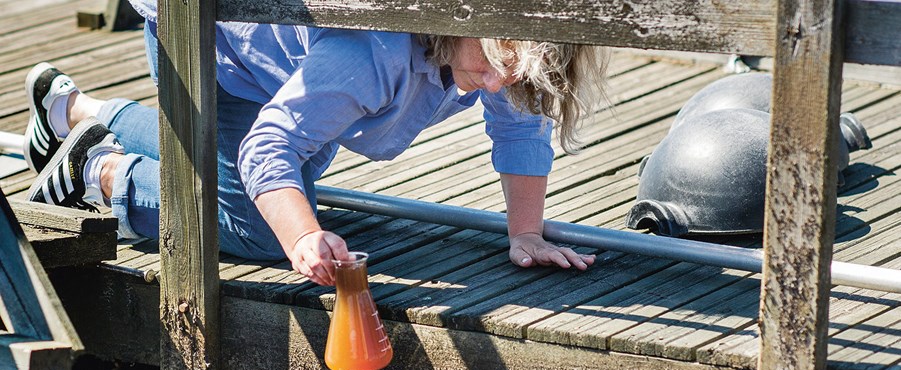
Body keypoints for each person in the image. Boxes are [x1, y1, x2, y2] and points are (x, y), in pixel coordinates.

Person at [24, 2, 610, 286]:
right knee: (257, 229)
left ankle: (72, 111)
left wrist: (525, 233)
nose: (498, 83)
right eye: (492, 65)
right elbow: (268, 148)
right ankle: (96, 167)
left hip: (289, 61)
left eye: (514, 71)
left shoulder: (497, 50)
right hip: (210, 36)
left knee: (266, 182)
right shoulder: (369, 55)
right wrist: (303, 238)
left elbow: (519, 120)